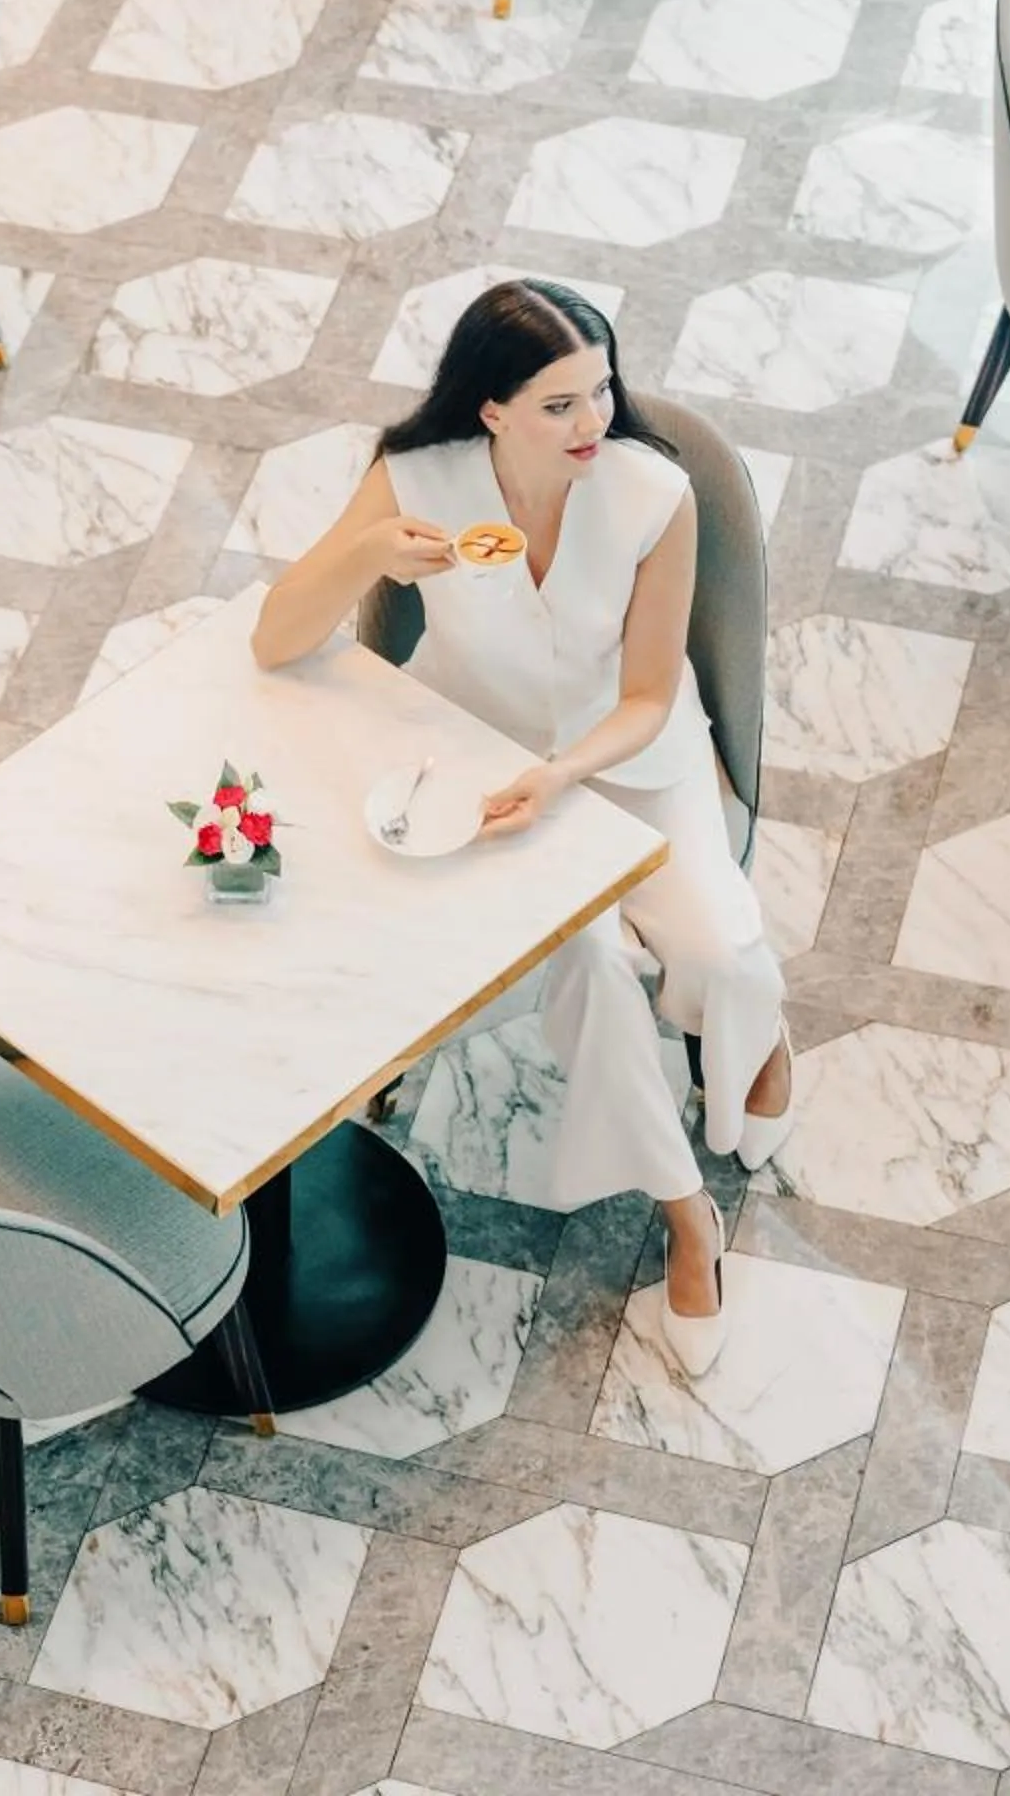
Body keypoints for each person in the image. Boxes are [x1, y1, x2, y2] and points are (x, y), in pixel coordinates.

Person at [251, 278, 793, 1375]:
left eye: (601, 390)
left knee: (722, 951)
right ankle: (691, 1217)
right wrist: (366, 555)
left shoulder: (652, 493)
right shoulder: (418, 479)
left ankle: (760, 1031)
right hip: (483, 764)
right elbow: (276, 639)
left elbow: (648, 693)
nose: (593, 423)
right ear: (490, 408)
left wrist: (566, 773)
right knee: (591, 959)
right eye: (559, 404)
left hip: (630, 760)